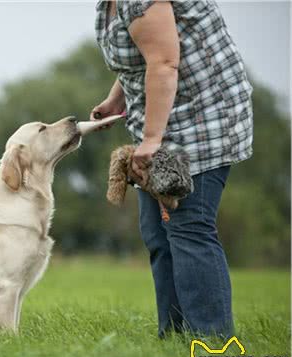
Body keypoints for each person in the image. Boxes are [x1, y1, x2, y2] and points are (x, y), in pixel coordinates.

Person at [91, 0, 253, 338]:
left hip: (200, 118)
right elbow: (143, 51)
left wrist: (151, 140)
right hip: (164, 119)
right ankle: (175, 338)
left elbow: (164, 61)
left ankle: (212, 343)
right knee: (158, 235)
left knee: (189, 227)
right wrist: (116, 100)